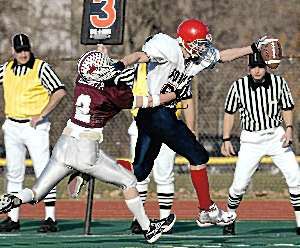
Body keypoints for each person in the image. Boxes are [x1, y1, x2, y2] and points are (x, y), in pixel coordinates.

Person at [0, 49, 185, 243]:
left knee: (36, 193)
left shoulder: (81, 79)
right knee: (129, 182)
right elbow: (148, 101)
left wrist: (124, 56)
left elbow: (116, 64)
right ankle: (149, 228)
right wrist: (174, 94)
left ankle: (13, 200)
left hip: (64, 145)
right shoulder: (112, 93)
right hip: (86, 150)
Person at [109, 18, 271, 227]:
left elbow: (222, 56)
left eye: (204, 43)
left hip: (150, 116)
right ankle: (206, 209)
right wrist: (121, 63)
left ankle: (97, 166)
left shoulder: (197, 56)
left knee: (139, 172)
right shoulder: (167, 47)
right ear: (185, 41)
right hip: (157, 112)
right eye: (199, 43)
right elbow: (141, 56)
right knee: (198, 156)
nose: (202, 48)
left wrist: (251, 48)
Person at [221, 52, 300, 235]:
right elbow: (229, 112)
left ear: (266, 67)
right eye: (253, 67)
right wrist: (226, 139)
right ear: (248, 68)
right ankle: (230, 217)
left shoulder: (278, 83)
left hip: (275, 136)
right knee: (240, 184)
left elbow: (287, 107)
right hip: (251, 139)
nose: (257, 71)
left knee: (296, 177)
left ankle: (299, 223)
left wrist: (289, 128)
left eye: (260, 67)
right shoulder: (238, 86)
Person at [0, 33, 66, 232]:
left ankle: (50, 218)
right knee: (13, 173)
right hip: (12, 125)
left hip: (34, 127)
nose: (22, 54)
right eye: (19, 50)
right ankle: (13, 218)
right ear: (13, 51)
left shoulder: (41, 67)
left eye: (25, 49)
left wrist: (42, 113)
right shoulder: (6, 68)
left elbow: (60, 90)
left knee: (43, 172)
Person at [128, 63, 195, 234]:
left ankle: (165, 219)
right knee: (139, 174)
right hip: (141, 123)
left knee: (164, 174)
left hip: (167, 124)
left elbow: (187, 98)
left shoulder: (176, 69)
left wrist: (191, 129)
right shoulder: (137, 68)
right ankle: (140, 219)